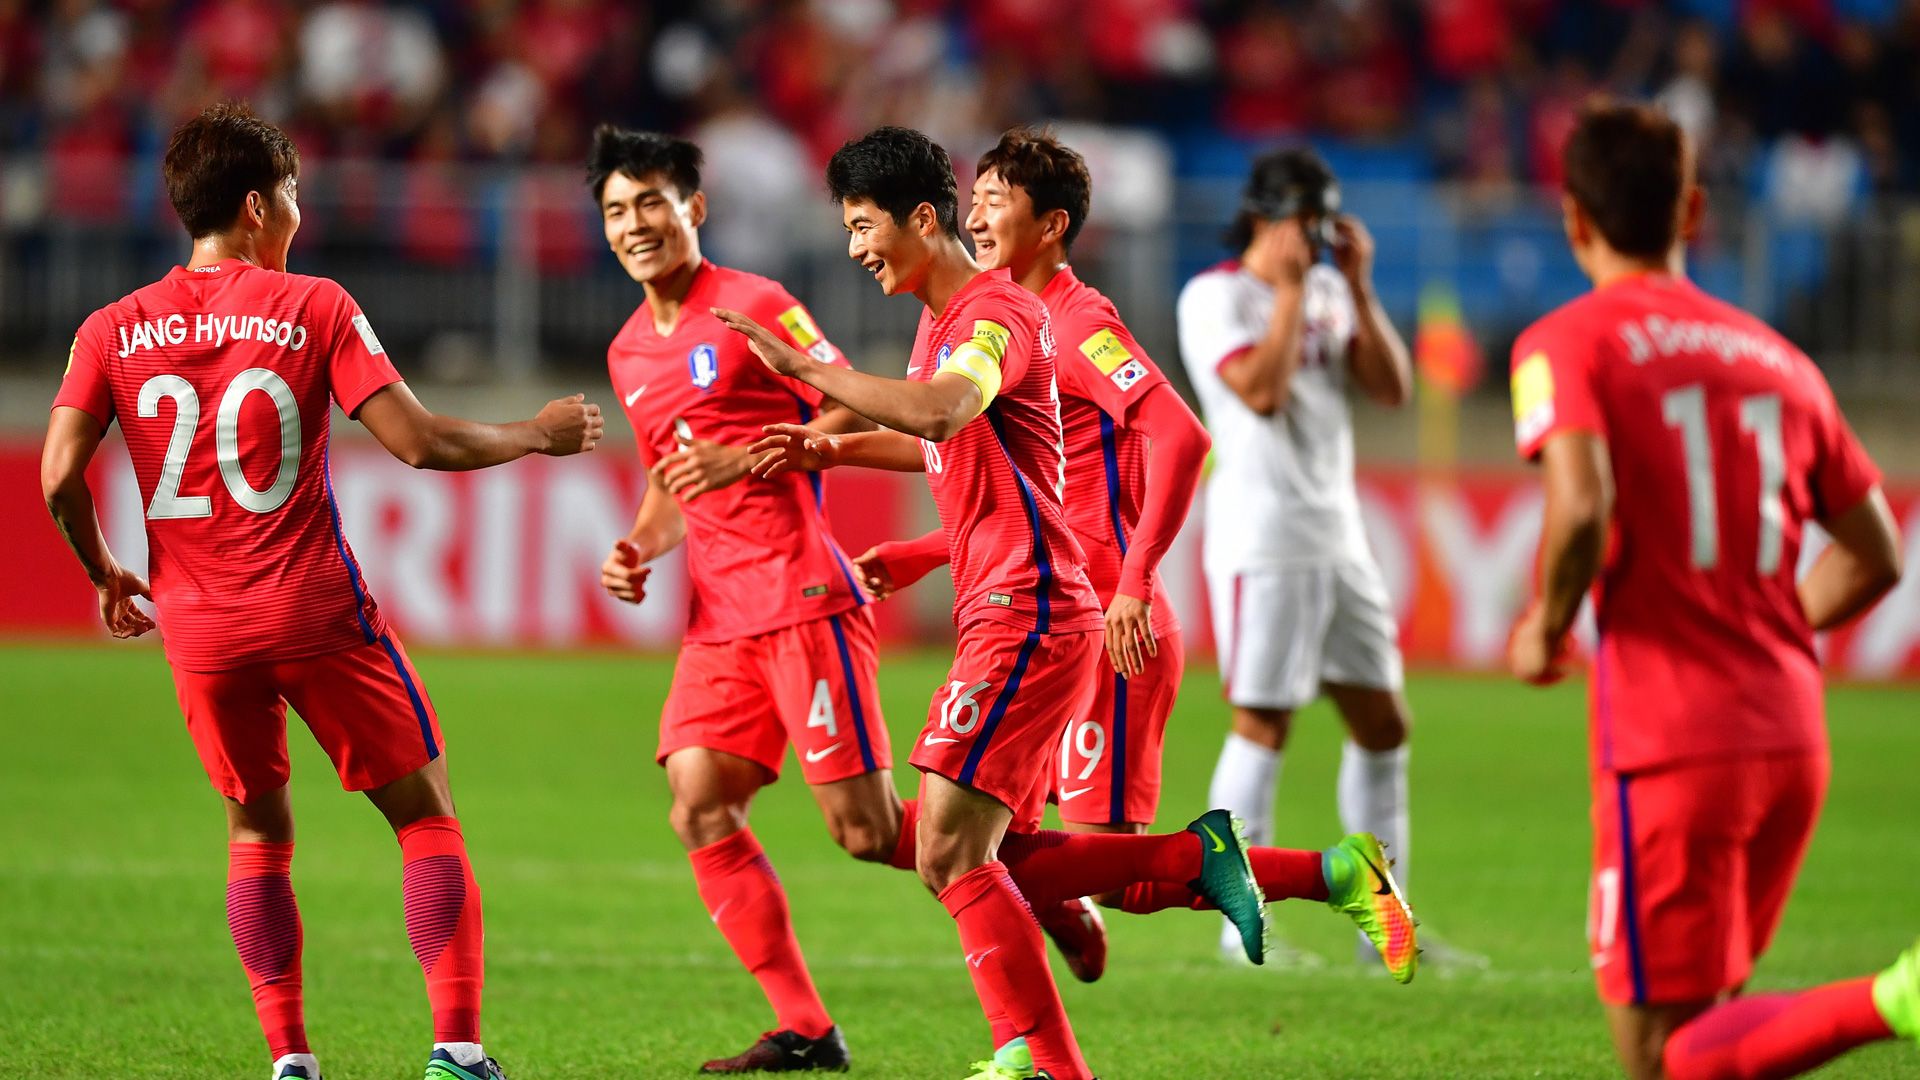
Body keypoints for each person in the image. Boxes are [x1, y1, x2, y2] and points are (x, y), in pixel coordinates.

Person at [39, 102, 604, 1080]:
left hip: (200, 629)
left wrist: (102, 571)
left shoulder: (110, 328)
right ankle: (457, 1051)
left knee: (256, 829)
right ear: (258, 205)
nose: (300, 212)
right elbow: (420, 443)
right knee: (424, 813)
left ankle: (291, 1061)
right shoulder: (315, 306)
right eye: (293, 194)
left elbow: (57, 475)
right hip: (311, 607)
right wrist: (534, 434)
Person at [854, 125, 1421, 1080]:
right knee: (1008, 854)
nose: (979, 212)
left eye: (998, 198)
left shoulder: (1071, 322)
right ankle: (1309, 880)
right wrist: (922, 548)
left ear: (1052, 225)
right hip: (1058, 602)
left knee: (1044, 857)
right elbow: (1021, 486)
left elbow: (1182, 434)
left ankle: (1311, 876)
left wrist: (1134, 581)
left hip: (1092, 618)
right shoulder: (992, 320)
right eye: (976, 193)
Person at [720, 125, 1272, 1080]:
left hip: (1029, 609)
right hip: (1011, 607)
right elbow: (942, 439)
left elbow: (943, 409)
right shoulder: (945, 323)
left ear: (919, 220)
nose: (855, 248)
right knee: (982, 852)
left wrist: (808, 374)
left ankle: (1051, 1042)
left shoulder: (995, 317)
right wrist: (833, 446)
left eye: (863, 227)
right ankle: (1090, 989)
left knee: (943, 843)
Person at [1506, 100, 1917, 1080]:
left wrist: (1543, 626)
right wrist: (1769, 627)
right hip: (1790, 735)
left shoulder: (1564, 343)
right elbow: (1877, 556)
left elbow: (1581, 503)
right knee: (1719, 1032)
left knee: (1664, 1055)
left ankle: (1894, 996)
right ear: (1693, 212)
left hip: (1672, 744)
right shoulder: (1780, 359)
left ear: (1573, 220)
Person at [587, 124, 894, 1074]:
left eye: (651, 203)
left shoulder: (754, 304)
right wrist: (639, 543)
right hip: (720, 619)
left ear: (695, 209)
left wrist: (774, 445)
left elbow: (853, 399)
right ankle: (806, 1027)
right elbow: (669, 482)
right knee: (699, 802)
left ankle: (1038, 876)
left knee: (867, 834)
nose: (636, 224)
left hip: (800, 595)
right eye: (615, 210)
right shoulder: (629, 350)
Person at [1177, 146, 1441, 969]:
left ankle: (1385, 930)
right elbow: (1259, 391)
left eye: (1323, 220)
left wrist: (1356, 288)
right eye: (1301, 218)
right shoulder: (1215, 295)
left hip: (1339, 532)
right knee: (1263, 724)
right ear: (1262, 214)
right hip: (1264, 535)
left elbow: (1394, 388)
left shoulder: (1330, 288)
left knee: (1384, 723)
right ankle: (1238, 931)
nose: (1314, 236)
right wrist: (1291, 293)